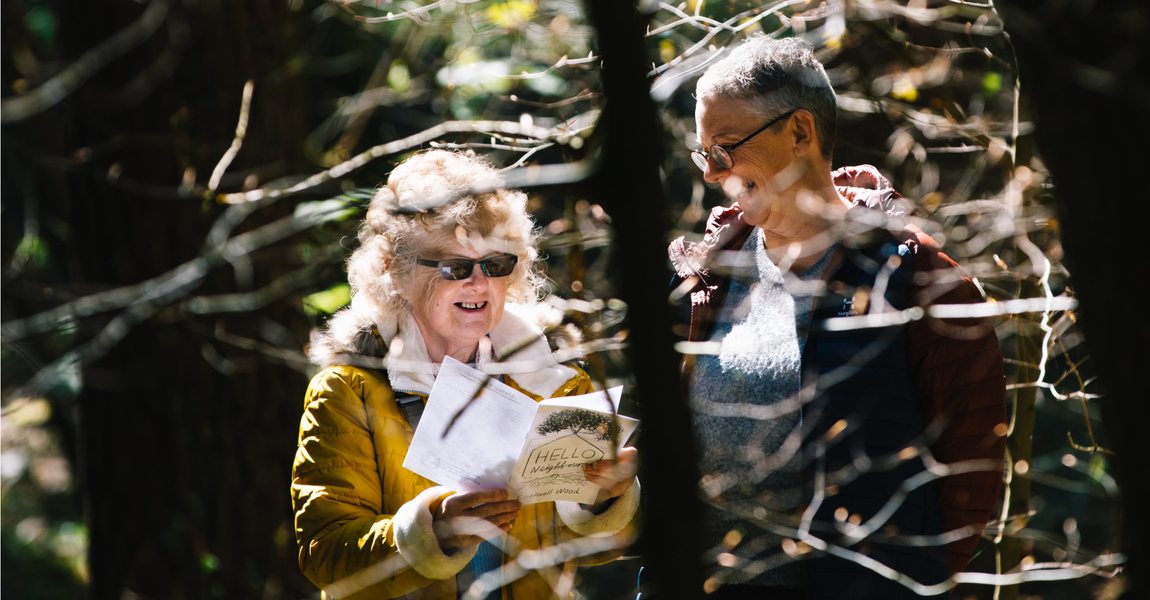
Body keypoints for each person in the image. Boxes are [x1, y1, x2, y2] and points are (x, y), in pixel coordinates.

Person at [669, 36, 1006, 599]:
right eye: (704, 154)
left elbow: (969, 475)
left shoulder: (917, 280)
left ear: (800, 132)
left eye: (725, 148)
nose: (711, 174)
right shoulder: (701, 278)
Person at [292, 150, 639, 600]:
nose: (478, 284)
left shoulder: (552, 374)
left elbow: (587, 551)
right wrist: (431, 532)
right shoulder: (349, 388)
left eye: (496, 265)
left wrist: (604, 498)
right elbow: (325, 557)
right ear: (395, 274)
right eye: (455, 268)